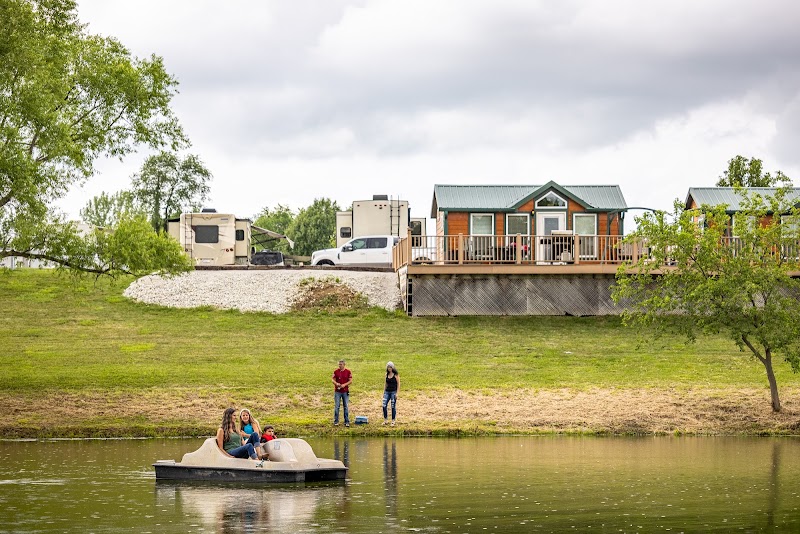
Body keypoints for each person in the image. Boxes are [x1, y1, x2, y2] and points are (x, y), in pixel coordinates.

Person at [332, 359, 353, 427]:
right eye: (339, 364)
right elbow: (333, 380)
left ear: (344, 365)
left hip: (345, 391)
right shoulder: (336, 371)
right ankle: (336, 421)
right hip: (337, 392)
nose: (339, 366)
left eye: (341, 364)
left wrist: (344, 385)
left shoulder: (348, 372)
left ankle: (346, 421)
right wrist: (336, 383)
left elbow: (350, 381)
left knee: (346, 406)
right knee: (337, 406)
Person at [382, 361, 400, 426]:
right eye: (388, 367)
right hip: (387, 392)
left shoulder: (396, 375)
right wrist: (384, 392)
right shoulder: (386, 374)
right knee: (384, 405)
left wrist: (397, 393)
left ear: (392, 367)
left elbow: (398, 384)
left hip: (393, 392)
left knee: (393, 406)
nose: (389, 368)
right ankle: (385, 420)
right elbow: (385, 384)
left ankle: (393, 420)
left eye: (390, 367)